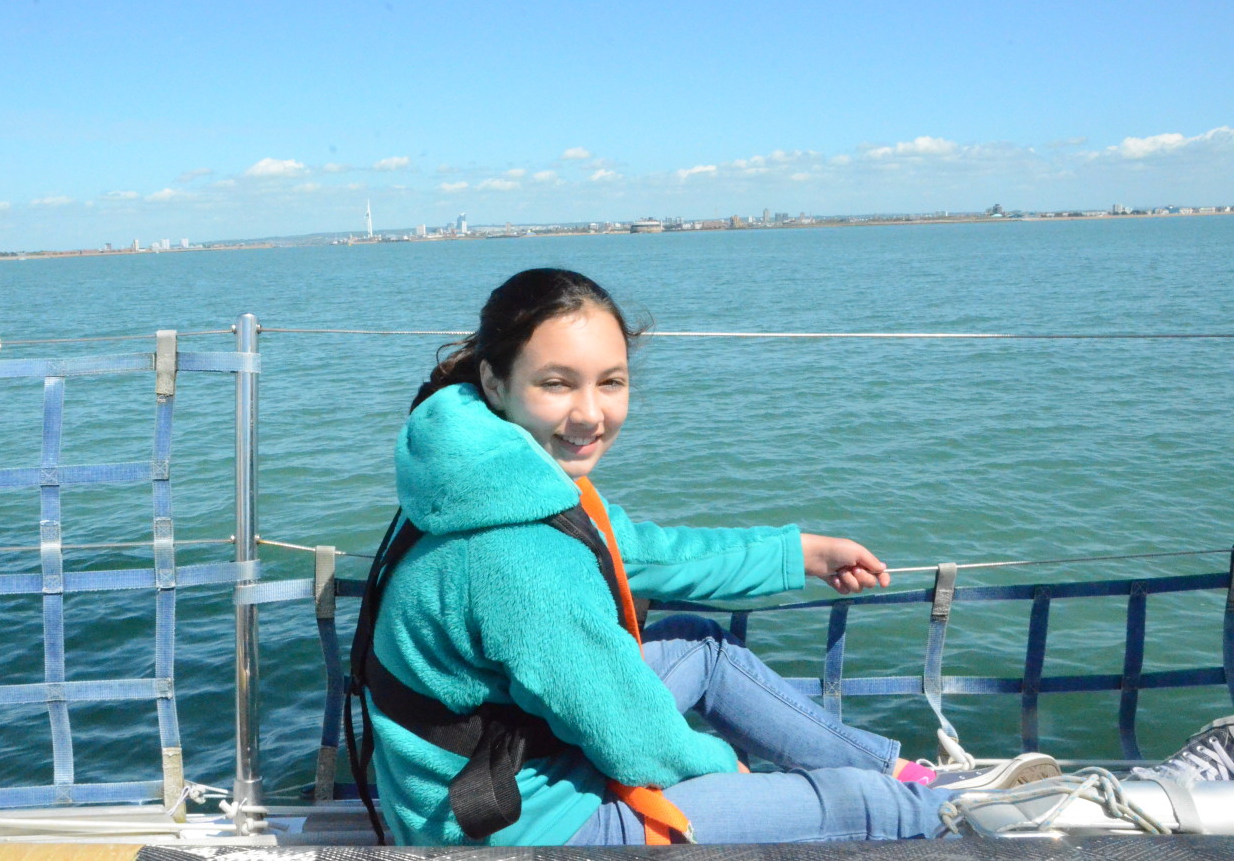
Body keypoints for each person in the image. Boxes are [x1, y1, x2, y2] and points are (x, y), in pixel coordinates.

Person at [358, 268, 1052, 846]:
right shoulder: (518, 556)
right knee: (853, 805)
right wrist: (731, 773)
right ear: (495, 381)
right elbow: (636, 740)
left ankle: (896, 770)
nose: (591, 414)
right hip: (516, 824)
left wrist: (798, 553)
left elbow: (641, 553)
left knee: (702, 647)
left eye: (610, 382)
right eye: (558, 383)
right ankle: (987, 819)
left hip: (474, 768)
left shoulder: (481, 472)